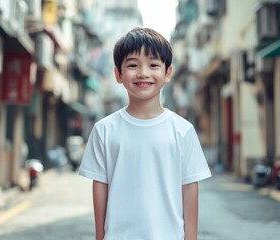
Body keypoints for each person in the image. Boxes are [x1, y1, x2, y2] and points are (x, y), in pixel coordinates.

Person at [79, 27, 211, 240]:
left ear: (168, 73)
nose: (143, 73)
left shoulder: (183, 130)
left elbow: (189, 188)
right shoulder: (104, 130)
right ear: (118, 74)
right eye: (132, 65)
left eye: (153, 65)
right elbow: (100, 187)